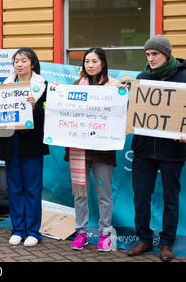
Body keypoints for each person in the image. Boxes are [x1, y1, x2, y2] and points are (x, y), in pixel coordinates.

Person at [126, 35, 186, 262]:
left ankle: (167, 243)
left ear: (166, 54)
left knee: (171, 197)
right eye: (148, 55)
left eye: (155, 54)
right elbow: (133, 109)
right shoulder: (141, 79)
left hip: (173, 150)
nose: (150, 59)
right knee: (141, 196)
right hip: (143, 149)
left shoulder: (183, 78)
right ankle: (144, 239)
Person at [65, 48, 118, 252]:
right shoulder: (75, 86)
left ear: (102, 63)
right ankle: (82, 232)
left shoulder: (113, 87)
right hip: (79, 149)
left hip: (102, 150)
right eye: (87, 61)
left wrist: (123, 93)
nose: (90, 65)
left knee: (104, 194)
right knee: (80, 193)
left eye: (94, 61)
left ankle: (105, 233)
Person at [0, 48, 49, 247]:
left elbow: (47, 117)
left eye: (23, 60)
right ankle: (18, 229)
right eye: (16, 61)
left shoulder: (42, 86)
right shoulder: (4, 86)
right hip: (11, 142)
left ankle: (33, 231)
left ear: (32, 64)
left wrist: (35, 107)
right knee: (15, 188)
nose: (19, 64)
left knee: (32, 188)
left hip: (32, 144)